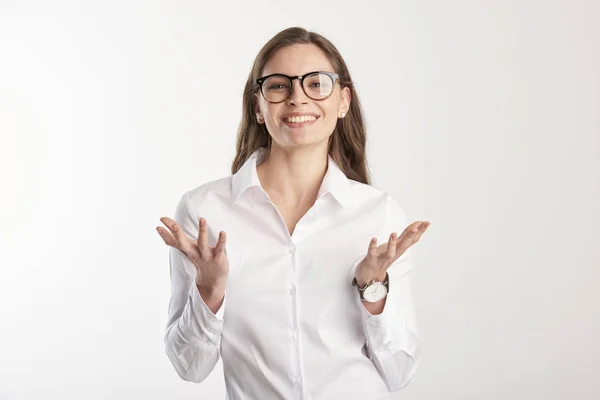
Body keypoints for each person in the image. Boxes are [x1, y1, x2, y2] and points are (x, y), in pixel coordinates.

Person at [156, 26, 431, 400]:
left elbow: (400, 373)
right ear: (258, 105)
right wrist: (210, 289)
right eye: (279, 85)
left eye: (316, 83)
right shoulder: (205, 212)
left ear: (343, 101)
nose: (298, 98)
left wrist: (372, 289)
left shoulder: (377, 215)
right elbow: (189, 366)